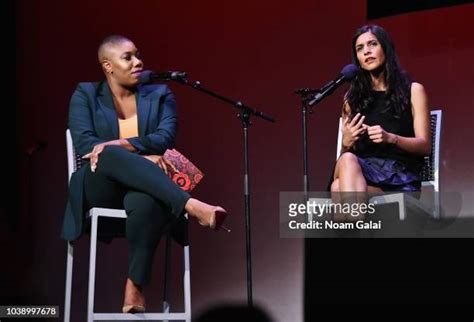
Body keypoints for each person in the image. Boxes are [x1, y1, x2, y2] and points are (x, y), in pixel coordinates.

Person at [61, 35, 228, 313]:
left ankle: (135, 284)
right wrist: (134, 153)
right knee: (108, 153)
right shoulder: (85, 94)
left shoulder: (161, 95)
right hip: (99, 184)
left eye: (138, 55)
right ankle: (191, 205)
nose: (138, 62)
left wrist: (125, 145)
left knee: (147, 199)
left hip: (146, 189)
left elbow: (165, 137)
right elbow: (86, 146)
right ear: (108, 66)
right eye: (128, 57)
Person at [330, 25, 431, 196]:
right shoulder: (352, 99)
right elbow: (344, 162)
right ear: (357, 60)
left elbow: (425, 146)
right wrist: (346, 144)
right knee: (346, 164)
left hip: (399, 178)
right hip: (361, 174)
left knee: (338, 189)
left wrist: (391, 138)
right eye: (360, 49)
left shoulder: (413, 91)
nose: (366, 52)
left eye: (372, 44)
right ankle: (358, 222)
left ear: (386, 48)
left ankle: (352, 223)